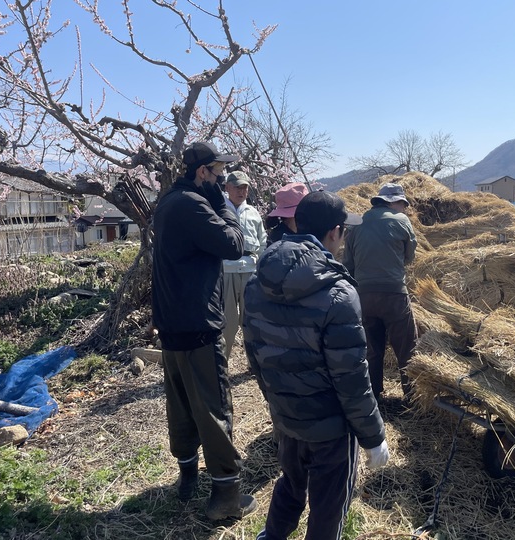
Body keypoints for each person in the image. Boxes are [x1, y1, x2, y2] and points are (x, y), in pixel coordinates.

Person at [243, 190, 389, 540]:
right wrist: (373, 437)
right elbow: (352, 378)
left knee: (291, 483)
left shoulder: (258, 281)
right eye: (344, 232)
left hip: (286, 415)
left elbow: (254, 353)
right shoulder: (339, 294)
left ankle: (271, 536)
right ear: (335, 232)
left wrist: (277, 401)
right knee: (328, 507)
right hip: (331, 429)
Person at [151, 141, 256, 520]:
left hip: (172, 323)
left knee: (180, 403)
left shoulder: (168, 201)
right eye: (219, 174)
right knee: (213, 407)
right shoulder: (194, 205)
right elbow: (234, 244)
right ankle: (225, 495)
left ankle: (187, 477)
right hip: (198, 322)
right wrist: (224, 206)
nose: (223, 182)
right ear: (202, 172)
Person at [342, 182, 419, 402]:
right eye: (403, 204)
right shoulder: (402, 221)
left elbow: (348, 264)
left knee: (371, 349)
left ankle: (374, 395)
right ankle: (412, 396)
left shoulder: (357, 224)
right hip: (394, 293)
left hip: (364, 295)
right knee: (406, 346)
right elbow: (409, 256)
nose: (404, 208)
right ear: (394, 202)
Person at [222, 171, 267, 361]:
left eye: (245, 187)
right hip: (227, 269)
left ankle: (254, 363)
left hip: (250, 270)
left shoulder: (253, 212)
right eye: (237, 187)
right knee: (227, 321)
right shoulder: (218, 209)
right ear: (227, 187)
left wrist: (260, 265)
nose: (242, 191)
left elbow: (262, 241)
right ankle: (221, 363)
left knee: (252, 320)